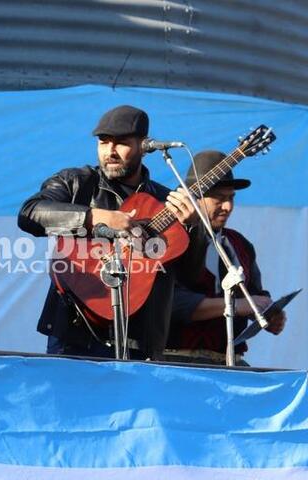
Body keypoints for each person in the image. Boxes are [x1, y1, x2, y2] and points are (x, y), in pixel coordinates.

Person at [18, 105, 206, 360]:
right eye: (104, 142)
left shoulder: (165, 201)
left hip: (142, 344)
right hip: (75, 334)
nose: (110, 152)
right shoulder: (77, 183)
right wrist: (97, 217)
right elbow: (30, 213)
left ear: (144, 146)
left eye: (121, 143)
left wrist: (193, 229)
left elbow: (190, 277)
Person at [166, 150, 286, 365]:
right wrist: (236, 306)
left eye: (231, 198)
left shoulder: (239, 243)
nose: (228, 207)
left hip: (232, 362)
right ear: (194, 198)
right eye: (219, 199)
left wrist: (269, 314)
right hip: (179, 361)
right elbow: (172, 303)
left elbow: (252, 295)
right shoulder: (170, 241)